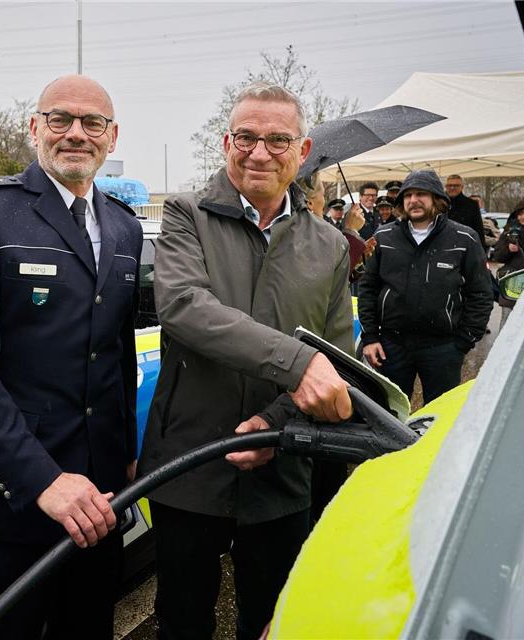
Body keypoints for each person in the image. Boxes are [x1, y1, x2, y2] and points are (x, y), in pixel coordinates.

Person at [137, 81, 354, 640]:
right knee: (182, 619)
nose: (259, 152)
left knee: (273, 620)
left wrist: (276, 424)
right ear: (226, 142)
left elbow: (337, 357)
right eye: (246, 137)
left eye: (278, 140)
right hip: (189, 463)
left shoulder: (329, 245)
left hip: (283, 468)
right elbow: (184, 307)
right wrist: (296, 364)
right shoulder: (185, 215)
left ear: (302, 153)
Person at [0, 75, 143, 639]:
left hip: (98, 499)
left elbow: (114, 348)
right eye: (60, 119)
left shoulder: (124, 226)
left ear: (112, 136)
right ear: (34, 128)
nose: (76, 133)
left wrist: (125, 456)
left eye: (92, 122)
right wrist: (44, 480)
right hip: (14, 497)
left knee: (87, 629)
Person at [358, 170, 492, 405]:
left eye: (421, 194)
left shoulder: (463, 238)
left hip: (443, 348)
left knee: (437, 419)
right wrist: (370, 337)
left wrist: (464, 341)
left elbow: (481, 293)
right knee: (389, 416)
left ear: (437, 199)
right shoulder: (384, 237)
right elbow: (368, 289)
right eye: (407, 195)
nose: (413, 200)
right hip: (393, 346)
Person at [444, 174, 487, 251]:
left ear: (462, 187)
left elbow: (478, 229)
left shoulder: (471, 205)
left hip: (464, 246)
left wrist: (481, 251)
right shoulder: (438, 203)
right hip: (443, 245)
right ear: (446, 186)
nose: (452, 188)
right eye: (449, 185)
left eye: (456, 185)